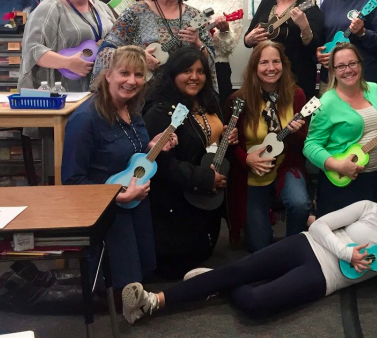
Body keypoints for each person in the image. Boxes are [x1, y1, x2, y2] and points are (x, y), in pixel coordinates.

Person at [121, 172, 377, 325]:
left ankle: (219, 283)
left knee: (256, 305)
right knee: (237, 269)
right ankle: (154, 300)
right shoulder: (367, 207)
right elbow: (319, 225)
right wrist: (347, 252)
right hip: (307, 244)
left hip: (326, 278)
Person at [61, 46, 177, 289]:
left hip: (136, 207)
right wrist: (117, 197)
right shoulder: (85, 119)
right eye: (124, 73)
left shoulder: (132, 110)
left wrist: (152, 147)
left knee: (141, 279)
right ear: (108, 74)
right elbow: (72, 182)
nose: (131, 81)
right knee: (121, 287)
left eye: (138, 75)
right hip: (108, 215)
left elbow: (128, 159)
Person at [142, 47, 237, 279]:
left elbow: (206, 139)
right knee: (181, 265)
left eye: (200, 71)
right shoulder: (160, 112)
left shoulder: (209, 101)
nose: (195, 77)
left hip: (204, 201)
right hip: (176, 207)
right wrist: (205, 178)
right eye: (187, 71)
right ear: (173, 74)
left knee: (203, 255)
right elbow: (164, 166)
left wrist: (224, 136)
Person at [227, 41, 312, 251]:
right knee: (259, 246)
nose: (271, 68)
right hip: (252, 172)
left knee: (300, 204)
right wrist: (246, 159)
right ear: (255, 66)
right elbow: (228, 145)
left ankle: (295, 248)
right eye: (264, 62)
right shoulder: (239, 100)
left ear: (283, 65)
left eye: (276, 61)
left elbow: (306, 143)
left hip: (286, 164)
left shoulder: (297, 96)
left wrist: (293, 133)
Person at [93, 0, 217, 91]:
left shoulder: (194, 16)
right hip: (140, 98)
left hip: (184, 97)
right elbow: (105, 52)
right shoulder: (135, 12)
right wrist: (137, 58)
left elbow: (210, 62)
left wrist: (198, 43)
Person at [304, 43, 377, 217]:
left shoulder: (376, 90)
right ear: (333, 70)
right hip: (343, 184)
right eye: (341, 66)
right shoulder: (326, 102)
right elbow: (310, 145)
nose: (348, 70)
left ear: (360, 64)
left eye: (352, 63)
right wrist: (338, 165)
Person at [20, 0, 116, 92]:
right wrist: (67, 63)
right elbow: (32, 49)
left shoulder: (102, 8)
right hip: (64, 92)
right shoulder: (50, 8)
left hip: (104, 90)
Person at [244, 0, 324, 99]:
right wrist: (249, 39)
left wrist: (305, 27)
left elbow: (314, 48)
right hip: (263, 77)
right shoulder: (267, 1)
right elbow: (248, 37)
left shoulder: (308, 6)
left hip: (296, 78)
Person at [187, 0, 243, 103]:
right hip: (190, 64)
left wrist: (224, 31)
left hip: (218, 67)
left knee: (217, 115)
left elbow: (229, 47)